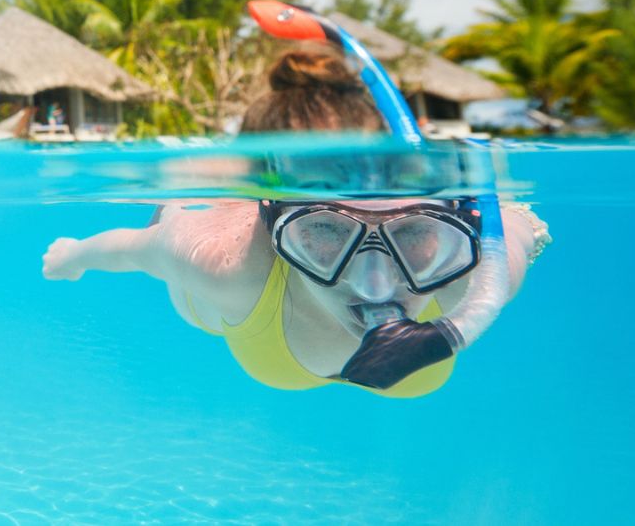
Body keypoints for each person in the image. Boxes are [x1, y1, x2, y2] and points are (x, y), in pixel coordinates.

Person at [42, 48, 549, 398]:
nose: (374, 284)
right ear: (272, 214)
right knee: (183, 238)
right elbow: (135, 248)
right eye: (325, 230)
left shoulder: (478, 269)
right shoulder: (225, 265)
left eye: (413, 230)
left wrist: (525, 226)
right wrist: (75, 255)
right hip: (245, 308)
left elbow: (524, 225)